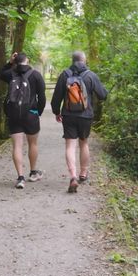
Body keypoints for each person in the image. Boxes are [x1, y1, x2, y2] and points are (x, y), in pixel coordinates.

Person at [51, 51, 108, 193]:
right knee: (83, 143)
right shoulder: (91, 75)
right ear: (84, 60)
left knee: (70, 145)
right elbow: (102, 95)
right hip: (86, 115)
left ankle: (73, 176)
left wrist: (57, 112)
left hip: (68, 115)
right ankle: (83, 173)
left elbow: (56, 98)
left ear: (72, 60)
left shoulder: (64, 75)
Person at [0, 51, 46, 189]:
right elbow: (42, 97)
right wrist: (38, 112)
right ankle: (33, 172)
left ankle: (20, 178)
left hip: (13, 114)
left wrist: (9, 62)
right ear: (27, 60)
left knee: (17, 146)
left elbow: (0, 73)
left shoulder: (10, 74)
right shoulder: (36, 75)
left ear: (16, 61)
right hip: (31, 114)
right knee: (33, 144)